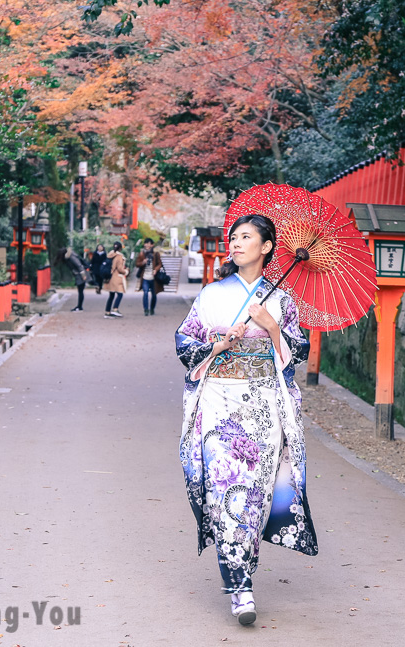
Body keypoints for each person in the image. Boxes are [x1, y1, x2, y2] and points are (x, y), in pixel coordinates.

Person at [175, 214, 317, 626]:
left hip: (261, 406)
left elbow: (298, 349)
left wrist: (272, 327)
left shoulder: (282, 300)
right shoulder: (211, 294)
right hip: (218, 400)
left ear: (267, 247)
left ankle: (244, 569)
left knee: (255, 494)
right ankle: (239, 587)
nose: (235, 243)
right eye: (233, 237)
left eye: (246, 238)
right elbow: (185, 341)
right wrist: (218, 344)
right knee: (223, 489)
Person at [135, 238, 163, 316]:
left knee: (154, 294)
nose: (147, 245)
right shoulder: (142, 254)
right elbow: (137, 264)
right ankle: (146, 309)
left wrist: (156, 270)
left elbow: (159, 264)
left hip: (153, 278)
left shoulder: (156, 254)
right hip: (145, 277)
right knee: (146, 293)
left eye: (149, 243)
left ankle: (152, 309)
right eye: (146, 243)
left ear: (152, 245)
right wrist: (143, 262)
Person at [103, 241, 129, 318]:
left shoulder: (110, 255)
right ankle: (115, 309)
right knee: (120, 294)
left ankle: (107, 312)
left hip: (109, 276)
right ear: (120, 248)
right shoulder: (119, 256)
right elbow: (120, 269)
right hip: (116, 277)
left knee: (111, 295)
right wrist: (126, 271)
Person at [59, 247, 88, 311]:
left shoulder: (71, 257)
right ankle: (79, 306)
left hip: (80, 274)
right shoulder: (70, 256)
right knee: (80, 291)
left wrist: (83, 275)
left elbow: (79, 265)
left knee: (80, 291)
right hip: (79, 274)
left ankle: (79, 306)